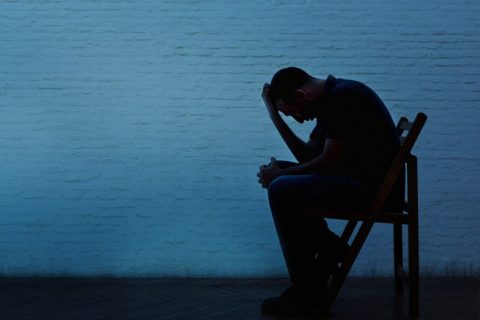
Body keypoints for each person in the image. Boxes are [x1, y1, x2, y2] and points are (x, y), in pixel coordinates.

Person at [257, 67, 402, 317]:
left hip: (371, 190)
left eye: (293, 114)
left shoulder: (346, 97)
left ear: (303, 96)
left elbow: (327, 162)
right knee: (282, 177)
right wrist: (275, 117)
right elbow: (307, 157)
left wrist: (280, 176)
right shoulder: (333, 99)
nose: (300, 120)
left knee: (282, 187)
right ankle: (325, 253)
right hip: (355, 181)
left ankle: (306, 292)